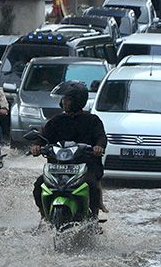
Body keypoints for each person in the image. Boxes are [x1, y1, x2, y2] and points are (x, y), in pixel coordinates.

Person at [30, 80, 107, 218]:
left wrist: (98, 147)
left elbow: (101, 137)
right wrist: (36, 146)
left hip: (85, 166)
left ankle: (93, 217)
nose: (64, 102)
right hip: (57, 167)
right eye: (63, 99)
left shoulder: (92, 120)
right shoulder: (56, 121)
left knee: (92, 186)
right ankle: (43, 215)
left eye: (67, 99)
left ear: (77, 101)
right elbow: (43, 137)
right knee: (39, 185)